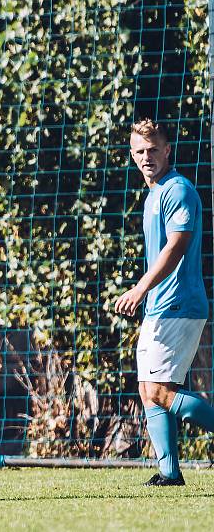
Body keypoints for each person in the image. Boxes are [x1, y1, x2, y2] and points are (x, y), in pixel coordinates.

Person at [114, 118, 214, 486]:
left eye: (153, 149)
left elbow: (177, 246)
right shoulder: (154, 194)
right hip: (162, 305)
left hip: (177, 304)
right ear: (131, 154)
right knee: (148, 389)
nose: (146, 157)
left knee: (159, 391)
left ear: (167, 149)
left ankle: (171, 472)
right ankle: (170, 473)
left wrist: (139, 289)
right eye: (139, 151)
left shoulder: (177, 190)